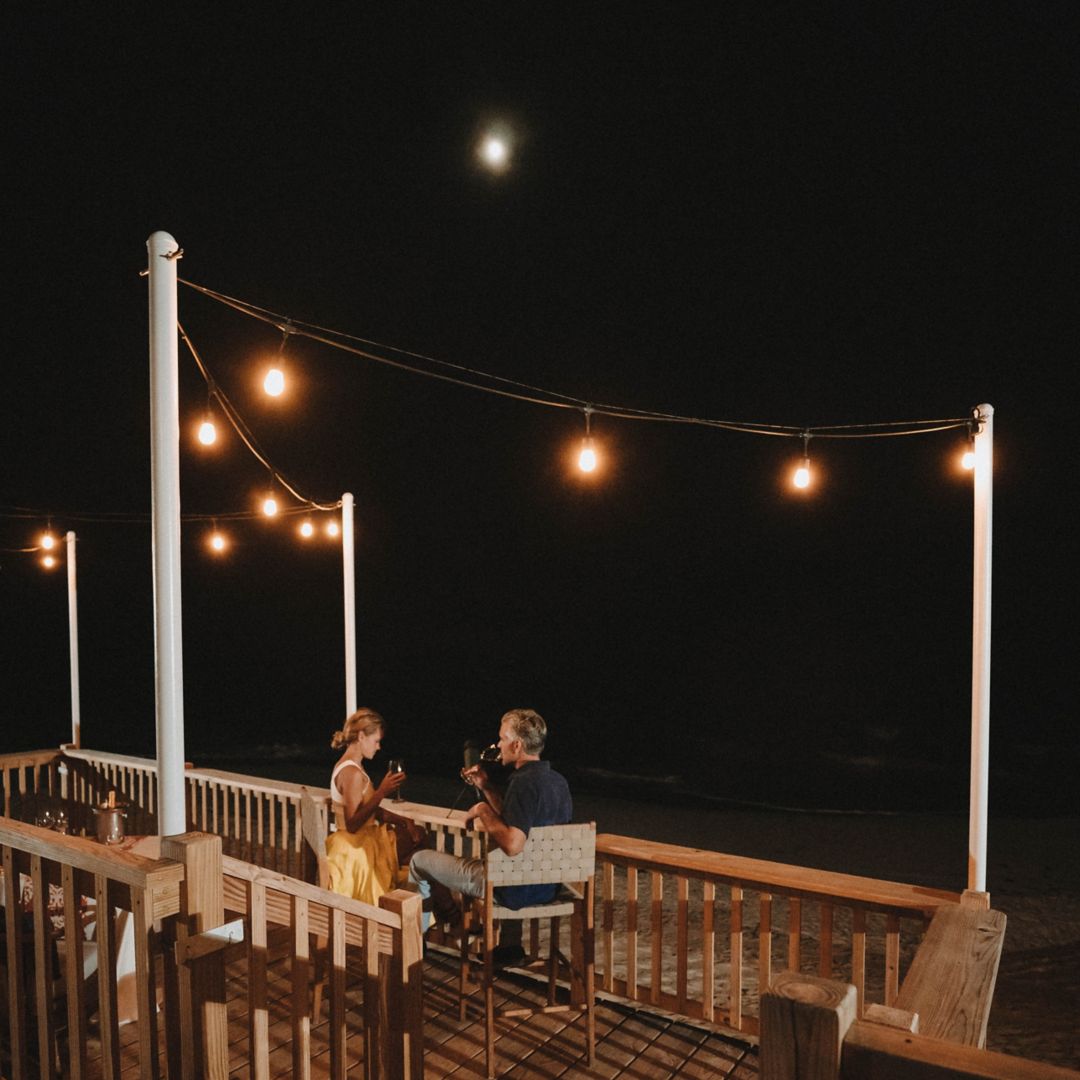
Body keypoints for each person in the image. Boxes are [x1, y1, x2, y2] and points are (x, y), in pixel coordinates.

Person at [409, 708, 572, 962]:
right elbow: (516, 820)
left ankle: (414, 943)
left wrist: (482, 809)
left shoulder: (522, 782)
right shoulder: (558, 782)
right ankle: (509, 947)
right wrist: (485, 785)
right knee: (509, 867)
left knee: (419, 861)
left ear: (517, 745)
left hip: (510, 889)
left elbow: (513, 844)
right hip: (547, 888)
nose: (498, 744)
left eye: (503, 739)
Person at [325, 708, 427, 905]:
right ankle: (428, 910)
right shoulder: (352, 773)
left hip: (362, 837)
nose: (379, 747)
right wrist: (381, 792)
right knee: (419, 844)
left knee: (417, 843)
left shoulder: (352, 766)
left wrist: (403, 820)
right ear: (361, 736)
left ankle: (423, 907)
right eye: (376, 741)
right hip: (357, 842)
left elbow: (369, 810)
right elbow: (353, 823)